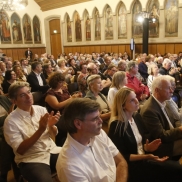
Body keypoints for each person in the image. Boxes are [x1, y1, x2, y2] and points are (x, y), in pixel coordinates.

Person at [108, 87, 182, 182]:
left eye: (135, 97)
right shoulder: (117, 125)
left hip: (144, 158)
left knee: (176, 169)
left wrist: (147, 148)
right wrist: (146, 156)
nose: (137, 101)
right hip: (132, 166)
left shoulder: (136, 117)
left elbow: (141, 144)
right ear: (123, 105)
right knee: (175, 171)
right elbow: (122, 157)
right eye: (132, 100)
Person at [56, 98, 128, 182]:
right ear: (78, 124)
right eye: (95, 119)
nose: (101, 121)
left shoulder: (99, 133)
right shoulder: (69, 165)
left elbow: (121, 162)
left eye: (99, 116)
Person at [4, 82, 61, 182]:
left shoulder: (41, 110)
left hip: (51, 150)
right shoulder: (10, 121)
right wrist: (40, 130)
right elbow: (21, 150)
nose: (28, 96)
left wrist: (51, 126)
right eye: (22, 95)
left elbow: (52, 135)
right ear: (14, 101)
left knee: (78, 162)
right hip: (31, 159)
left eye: (29, 92)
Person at [140, 75, 182, 157]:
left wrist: (179, 128)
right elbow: (161, 137)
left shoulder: (163, 101)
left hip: (171, 137)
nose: (171, 91)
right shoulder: (149, 110)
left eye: (171, 88)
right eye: (168, 88)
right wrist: (180, 130)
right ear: (157, 90)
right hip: (162, 147)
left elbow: (175, 120)